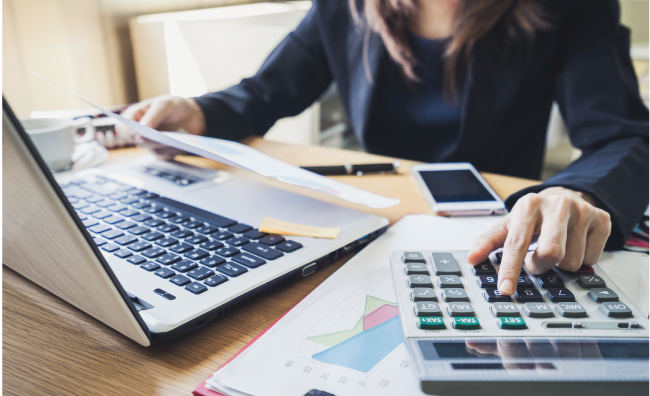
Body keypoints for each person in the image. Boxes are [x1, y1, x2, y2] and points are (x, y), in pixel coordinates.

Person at [122, 0, 648, 296]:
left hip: (492, 238)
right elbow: (265, 94)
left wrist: (574, 192)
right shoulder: (341, 7)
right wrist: (201, 112)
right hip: (367, 230)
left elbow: (623, 133)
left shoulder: (573, 8)